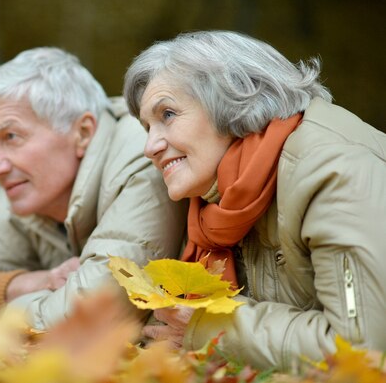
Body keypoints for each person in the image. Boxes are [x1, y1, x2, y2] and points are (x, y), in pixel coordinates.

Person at [123, 30, 386, 371]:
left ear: (231, 99)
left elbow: (362, 348)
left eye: (168, 115)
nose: (150, 147)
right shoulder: (216, 200)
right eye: (147, 127)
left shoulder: (333, 171)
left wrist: (208, 327)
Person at [0, 47, 188, 330]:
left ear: (83, 133)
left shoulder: (140, 155)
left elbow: (90, 317)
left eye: (10, 136)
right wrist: (20, 285)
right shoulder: (27, 187)